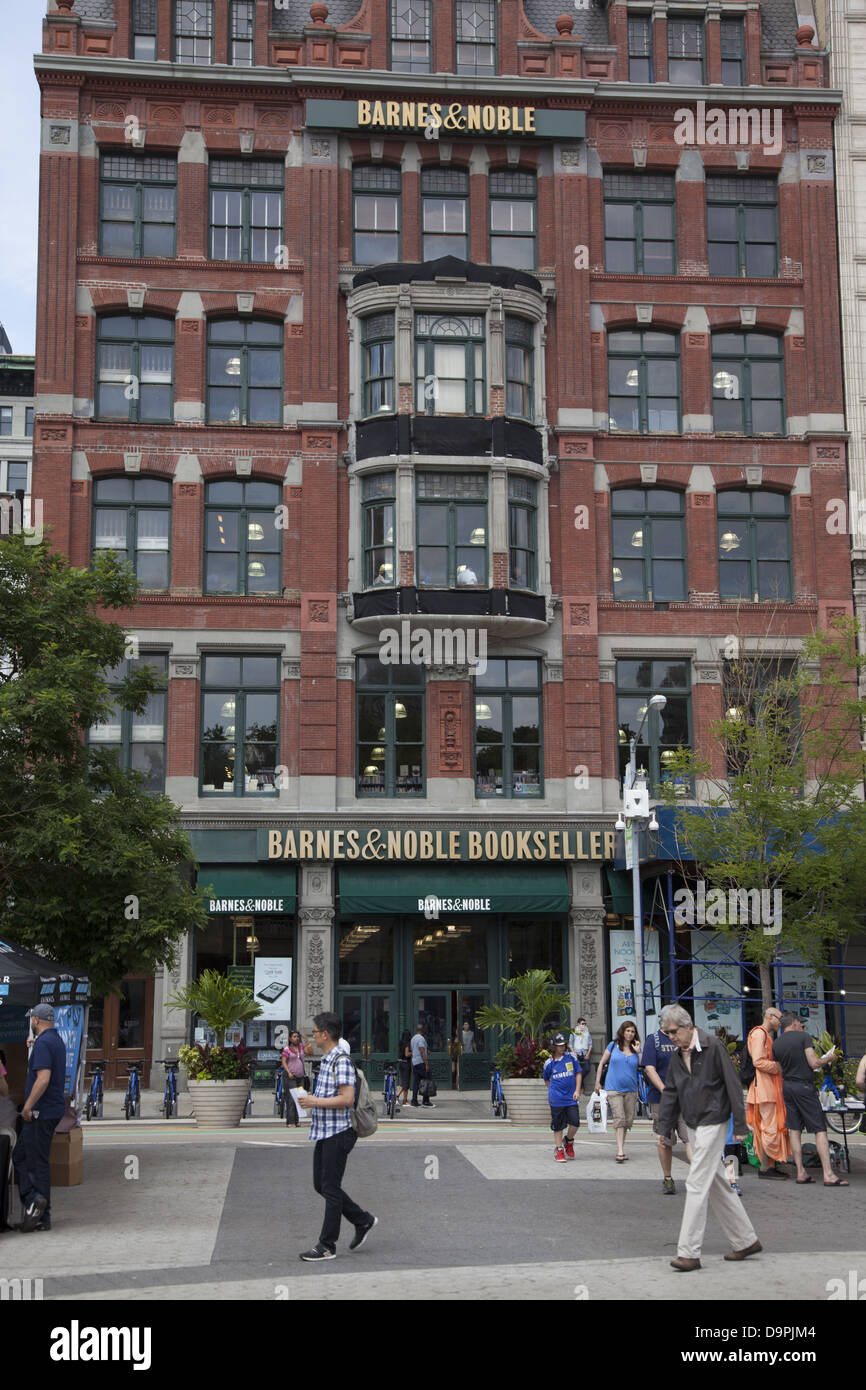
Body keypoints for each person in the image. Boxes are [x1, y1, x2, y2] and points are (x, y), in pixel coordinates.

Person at [656, 1004, 761, 1273]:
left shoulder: (713, 1046)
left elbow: (733, 1085)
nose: (671, 1037)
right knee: (716, 1183)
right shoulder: (678, 1055)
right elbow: (670, 1092)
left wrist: (740, 1124)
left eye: (673, 1031)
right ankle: (746, 1240)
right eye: (666, 1033)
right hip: (693, 1122)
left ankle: (689, 1252)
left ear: (688, 1026)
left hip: (714, 1121)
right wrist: (664, 1127)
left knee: (696, 1183)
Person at [296, 1012, 376, 1261]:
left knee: (330, 1188)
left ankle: (327, 1245)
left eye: (316, 1032)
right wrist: (310, 1102)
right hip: (325, 1131)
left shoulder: (340, 1061)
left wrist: (313, 1101)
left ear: (326, 1034)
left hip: (339, 1132)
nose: (313, 1036)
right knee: (321, 1184)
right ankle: (362, 1220)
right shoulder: (328, 1059)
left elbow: (346, 1098)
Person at [773, 1012, 848, 1187]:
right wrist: (828, 1058)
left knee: (794, 1129)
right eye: (800, 1024)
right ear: (794, 1024)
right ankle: (828, 1174)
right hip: (804, 1087)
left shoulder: (776, 1043)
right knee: (819, 1129)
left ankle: (801, 1172)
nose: (802, 1027)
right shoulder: (803, 1037)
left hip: (788, 1087)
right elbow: (814, 1063)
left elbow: (778, 1069)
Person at [12, 1004, 68, 1234]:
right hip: (50, 1110)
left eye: (31, 1021)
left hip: (40, 1112)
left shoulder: (44, 1043)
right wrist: (35, 1046)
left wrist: (28, 1106)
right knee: (25, 1156)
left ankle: (37, 1205)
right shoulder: (54, 1041)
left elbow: (43, 1079)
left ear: (36, 1020)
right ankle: (38, 1209)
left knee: (34, 1161)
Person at [642, 1023, 694, 1194]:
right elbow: (650, 1069)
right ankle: (668, 1178)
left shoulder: (684, 1037)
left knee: (690, 1138)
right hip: (661, 1100)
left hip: (685, 1098)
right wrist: (666, 1090)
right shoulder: (654, 1040)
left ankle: (698, 1178)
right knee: (664, 1140)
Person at [746, 1005, 791, 1179]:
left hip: (768, 1089)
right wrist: (778, 1067)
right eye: (779, 1019)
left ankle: (769, 1165)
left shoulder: (764, 1035)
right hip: (764, 1090)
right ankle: (766, 1168)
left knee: (769, 1129)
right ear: (770, 1016)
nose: (780, 1023)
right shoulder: (759, 1034)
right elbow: (758, 1061)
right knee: (769, 1129)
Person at [593, 1020, 641, 1162]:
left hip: (631, 1089)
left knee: (627, 1121)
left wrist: (638, 1052)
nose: (630, 1034)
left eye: (632, 1031)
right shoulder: (613, 1045)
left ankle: (621, 1147)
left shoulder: (636, 1048)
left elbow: (642, 1065)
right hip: (613, 1088)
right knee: (619, 1118)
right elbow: (602, 1063)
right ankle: (620, 1151)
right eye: (627, 1031)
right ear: (622, 1031)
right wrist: (597, 1082)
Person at [543, 1033, 582, 1161]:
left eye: (563, 1045)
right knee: (558, 1125)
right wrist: (552, 1092)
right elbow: (546, 1079)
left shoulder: (571, 1058)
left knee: (575, 1122)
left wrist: (577, 1090)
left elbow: (578, 1073)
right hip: (556, 1099)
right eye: (559, 1045)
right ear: (553, 1046)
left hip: (571, 1098)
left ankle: (569, 1140)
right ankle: (559, 1149)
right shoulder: (549, 1063)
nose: (562, 1047)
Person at [281, 1029, 311, 1127]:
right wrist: (288, 1072)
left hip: (300, 1077)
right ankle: (290, 1121)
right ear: (290, 1038)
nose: (296, 1038)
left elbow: (311, 1052)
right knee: (291, 1099)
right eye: (294, 1037)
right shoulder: (287, 1049)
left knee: (299, 1098)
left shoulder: (301, 1047)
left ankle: (297, 1120)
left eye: (298, 1037)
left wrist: (307, 1041)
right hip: (290, 1077)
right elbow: (284, 1062)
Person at [410, 1022, 435, 1108]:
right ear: (422, 1030)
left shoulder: (413, 1038)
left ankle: (414, 1100)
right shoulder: (421, 1039)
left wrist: (426, 1051)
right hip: (421, 1062)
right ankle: (426, 1100)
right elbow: (421, 1050)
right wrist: (426, 1064)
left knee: (416, 1082)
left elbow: (416, 1050)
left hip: (415, 1062)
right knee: (427, 1080)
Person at [568, 1017, 593, 1083]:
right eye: (582, 1024)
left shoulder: (587, 1033)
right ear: (578, 1024)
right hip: (576, 1053)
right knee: (576, 1070)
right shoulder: (573, 1033)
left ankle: (579, 1080)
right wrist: (574, 1053)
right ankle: (580, 1086)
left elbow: (590, 1044)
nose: (583, 1025)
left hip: (585, 1053)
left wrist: (588, 1053)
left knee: (587, 1069)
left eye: (585, 1024)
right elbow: (570, 1044)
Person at [397, 1031, 412, 1107]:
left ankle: (401, 1099)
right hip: (406, 1063)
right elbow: (407, 1054)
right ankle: (402, 1099)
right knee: (405, 1083)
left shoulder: (400, 1042)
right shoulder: (407, 1043)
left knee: (403, 1081)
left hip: (400, 1063)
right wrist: (413, 1052)